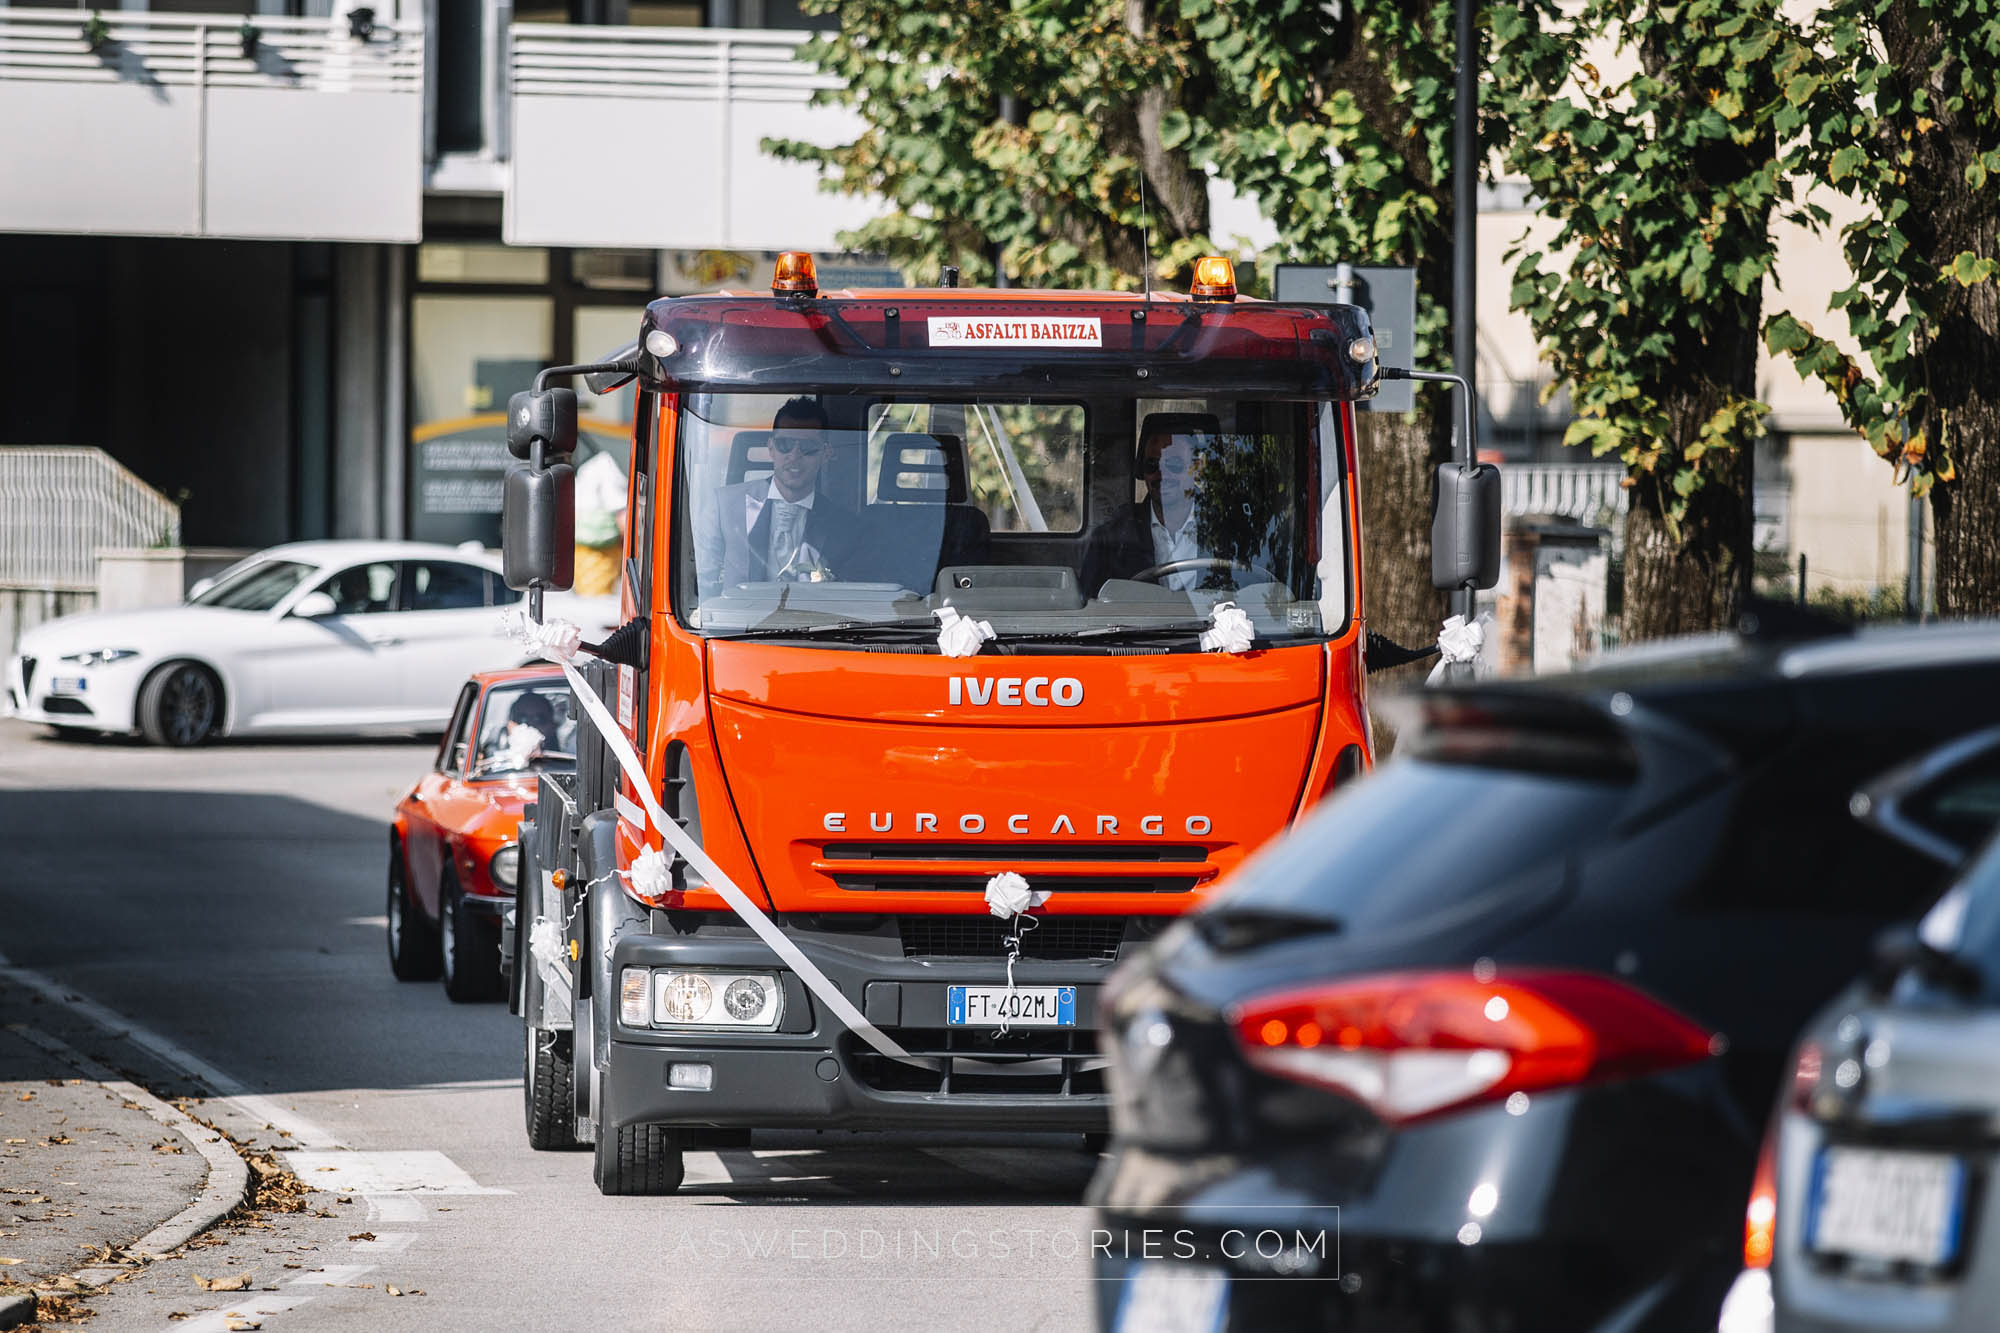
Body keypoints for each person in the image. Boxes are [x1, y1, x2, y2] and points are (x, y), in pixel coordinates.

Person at [694, 396, 861, 594]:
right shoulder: (723, 506)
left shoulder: (844, 526)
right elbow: (701, 584)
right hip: (739, 622)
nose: (794, 456)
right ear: (771, 448)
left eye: (807, 448)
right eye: (785, 445)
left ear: (825, 454)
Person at [1081, 419, 1215, 593]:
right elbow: (1089, 605)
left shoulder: (1226, 531)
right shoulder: (1111, 539)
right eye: (1152, 465)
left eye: (1174, 464)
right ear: (1142, 470)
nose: (1162, 474)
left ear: (1197, 468)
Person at [572, 443, 628, 598]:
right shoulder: (604, 470)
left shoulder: (587, 475)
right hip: (606, 548)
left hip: (586, 546)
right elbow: (623, 517)